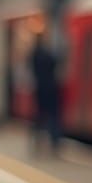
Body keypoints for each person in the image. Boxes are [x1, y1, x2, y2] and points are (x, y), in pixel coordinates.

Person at [30, 22, 62, 154]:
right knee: (53, 117)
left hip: (39, 89)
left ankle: (37, 143)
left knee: (39, 117)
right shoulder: (46, 54)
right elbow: (55, 64)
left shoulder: (33, 54)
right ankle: (54, 142)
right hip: (50, 89)